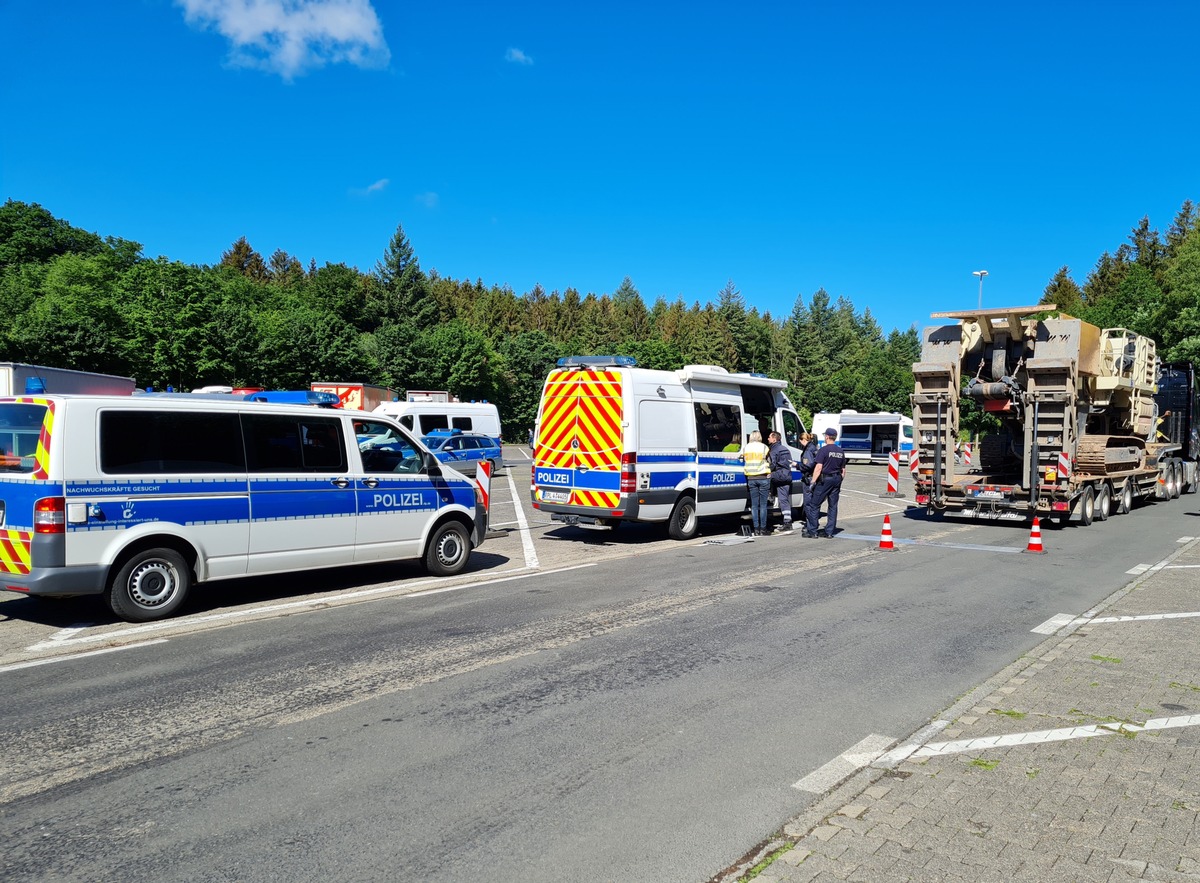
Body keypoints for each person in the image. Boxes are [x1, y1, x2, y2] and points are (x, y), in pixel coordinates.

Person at [805, 426, 847, 538]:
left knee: (814, 505)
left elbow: (818, 467)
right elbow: (843, 470)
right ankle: (829, 532)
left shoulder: (823, 450)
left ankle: (812, 531)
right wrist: (839, 480)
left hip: (825, 480)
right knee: (833, 506)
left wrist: (813, 482)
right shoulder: (840, 451)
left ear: (827, 437)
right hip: (837, 479)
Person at [741, 429, 772, 536]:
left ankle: (756, 529)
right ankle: (763, 529)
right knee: (763, 505)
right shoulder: (764, 447)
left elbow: (743, 459)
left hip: (751, 478)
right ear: (759, 437)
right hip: (763, 477)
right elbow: (769, 461)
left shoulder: (746, 447)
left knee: (754, 505)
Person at [767, 430, 794, 532]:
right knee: (784, 499)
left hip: (778, 475)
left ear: (774, 439)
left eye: (769, 437)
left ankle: (770, 497)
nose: (768, 439)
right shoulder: (785, 449)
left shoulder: (774, 450)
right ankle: (787, 521)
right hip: (787, 475)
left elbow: (772, 465)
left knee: (766, 479)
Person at [796, 430, 818, 513]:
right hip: (814, 476)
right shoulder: (813, 447)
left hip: (808, 477)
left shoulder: (808, 450)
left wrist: (797, 465)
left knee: (808, 502)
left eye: (800, 442)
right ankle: (813, 521)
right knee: (814, 501)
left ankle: (810, 523)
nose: (800, 444)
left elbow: (808, 465)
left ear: (803, 440)